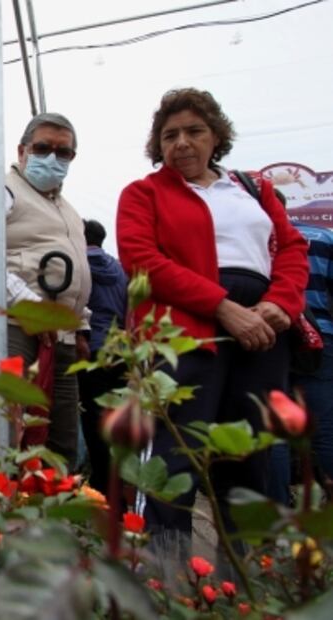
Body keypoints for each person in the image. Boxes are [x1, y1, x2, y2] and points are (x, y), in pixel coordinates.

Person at [116, 88, 308, 537]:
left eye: (194, 131)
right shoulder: (144, 193)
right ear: (158, 146)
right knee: (173, 450)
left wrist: (281, 303)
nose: (182, 142)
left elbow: (292, 248)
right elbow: (142, 258)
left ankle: (242, 580)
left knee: (247, 452)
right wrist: (222, 307)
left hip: (262, 326)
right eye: (170, 135)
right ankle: (165, 577)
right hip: (185, 324)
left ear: (216, 137)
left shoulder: (251, 188)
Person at [0, 112, 92, 465]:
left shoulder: (69, 211)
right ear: (22, 150)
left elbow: (75, 274)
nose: (52, 158)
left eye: (63, 152)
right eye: (43, 147)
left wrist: (81, 327)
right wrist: (31, 307)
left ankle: (46, 517)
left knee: (58, 448)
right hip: (11, 329)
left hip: (60, 338)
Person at [286, 191, 333, 492]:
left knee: (271, 428)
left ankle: (276, 505)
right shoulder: (323, 237)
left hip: (268, 335)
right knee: (324, 426)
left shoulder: (259, 237)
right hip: (321, 336)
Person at [78, 219, 128, 490]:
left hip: (92, 347)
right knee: (117, 417)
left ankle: (101, 484)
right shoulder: (119, 268)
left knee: (93, 416)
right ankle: (121, 482)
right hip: (121, 350)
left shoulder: (79, 265)